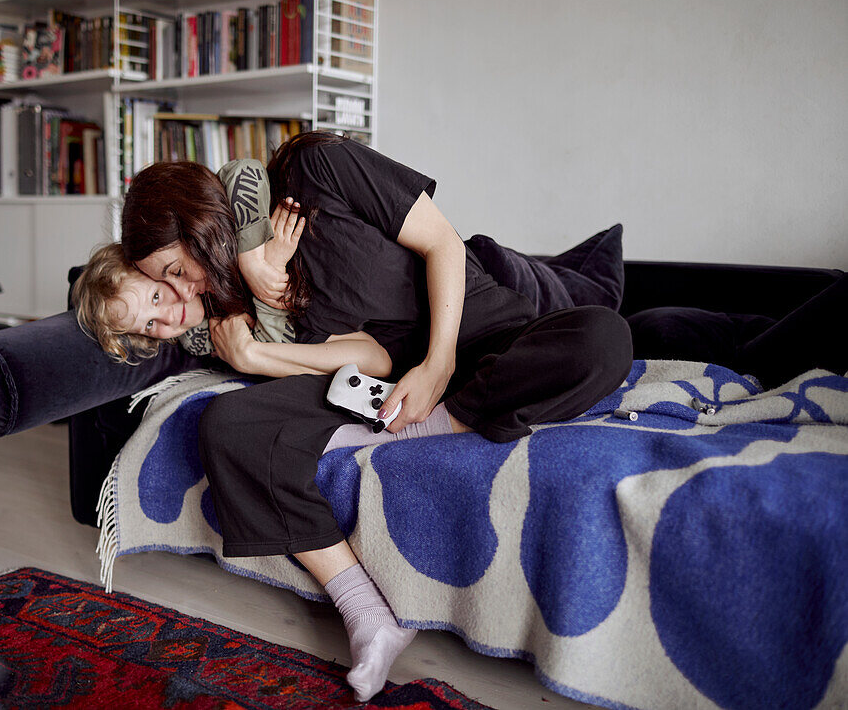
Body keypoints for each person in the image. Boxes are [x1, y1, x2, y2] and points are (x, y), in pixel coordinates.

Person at [117, 132, 634, 701]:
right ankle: (368, 614)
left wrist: (439, 365)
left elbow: (443, 243)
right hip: (377, 386)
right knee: (229, 425)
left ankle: (439, 424)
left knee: (603, 339)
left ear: (198, 222)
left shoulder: (315, 167)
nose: (181, 286)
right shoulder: (236, 306)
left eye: (174, 267)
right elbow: (366, 356)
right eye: (163, 283)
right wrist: (251, 352)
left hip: (477, 344)